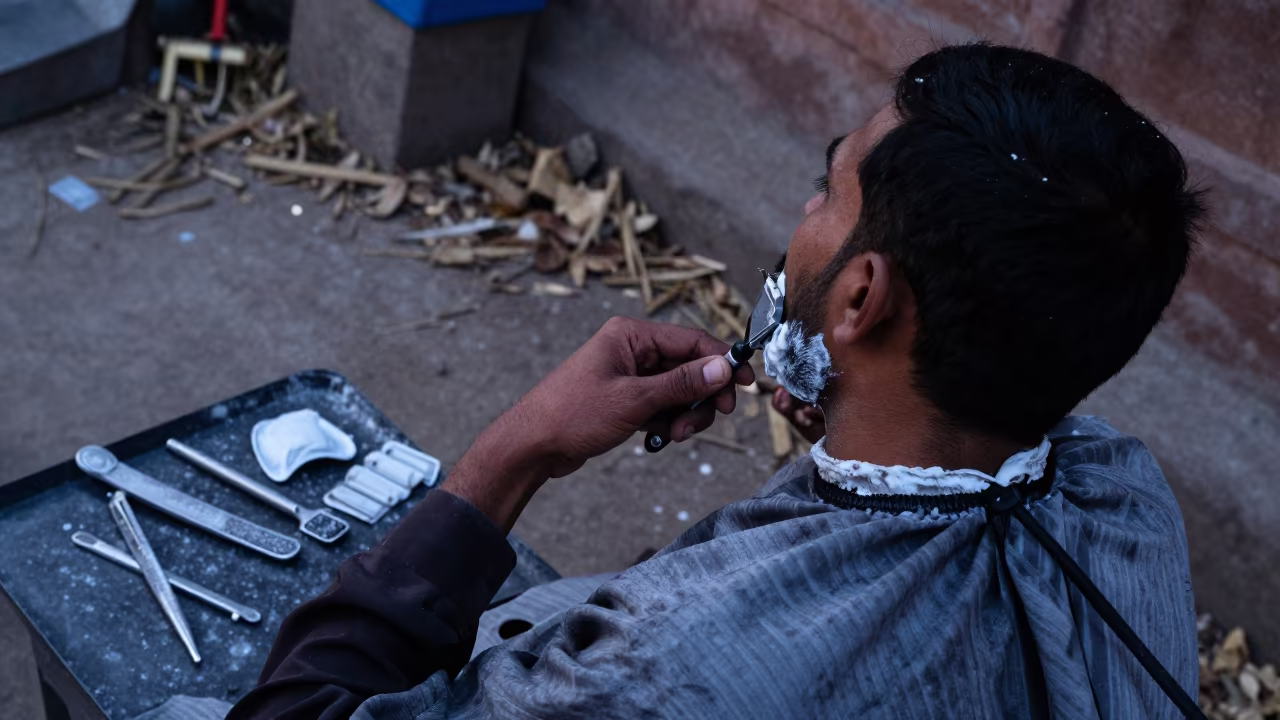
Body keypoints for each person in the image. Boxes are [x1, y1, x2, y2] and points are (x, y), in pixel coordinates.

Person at [230, 42, 1206, 720]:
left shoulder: (664, 667)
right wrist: (861, 398)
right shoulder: (1125, 493)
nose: (804, 206)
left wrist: (515, 448)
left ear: (859, 299)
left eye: (829, 186)